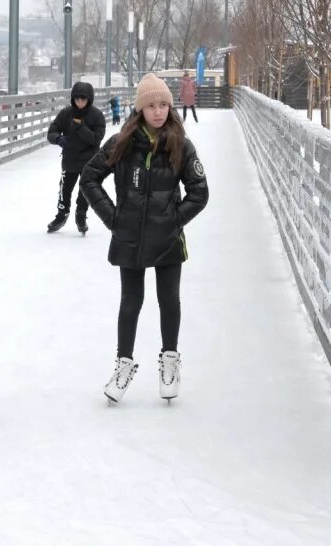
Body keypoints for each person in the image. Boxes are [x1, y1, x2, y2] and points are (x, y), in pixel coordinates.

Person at [79, 73, 209, 404]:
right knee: (131, 302)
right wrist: (113, 218)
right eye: (151, 105)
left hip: (167, 239)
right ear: (140, 109)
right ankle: (123, 364)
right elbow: (90, 178)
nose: (158, 111)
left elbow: (199, 192)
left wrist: (173, 221)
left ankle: (169, 359)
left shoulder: (180, 144)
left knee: (169, 300)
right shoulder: (122, 142)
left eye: (163, 104)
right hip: (131, 238)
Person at [45, 81, 106, 235]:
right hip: (69, 160)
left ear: (89, 99)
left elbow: (96, 139)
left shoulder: (97, 115)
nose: (80, 102)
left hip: (89, 161)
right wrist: (58, 139)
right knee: (64, 190)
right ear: (73, 98)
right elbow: (52, 130)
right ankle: (61, 214)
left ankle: (81, 215)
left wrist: (80, 128)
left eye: (83, 99)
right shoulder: (66, 113)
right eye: (77, 99)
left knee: (84, 191)